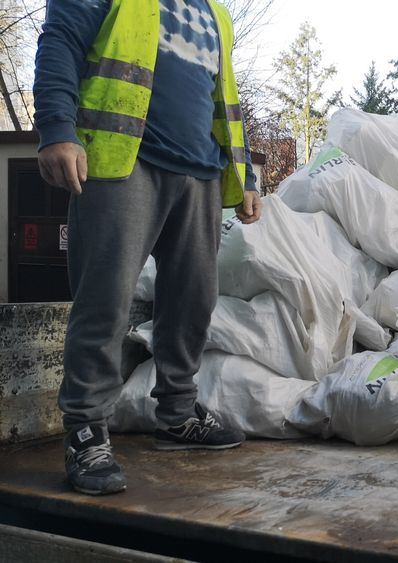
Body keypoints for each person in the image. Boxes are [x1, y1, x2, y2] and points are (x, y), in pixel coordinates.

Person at [33, 0, 263, 496]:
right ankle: (86, 428)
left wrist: (244, 175)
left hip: (200, 170)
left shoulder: (215, 12)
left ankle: (177, 415)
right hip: (123, 159)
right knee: (105, 300)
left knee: (193, 300)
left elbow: (227, 98)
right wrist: (56, 128)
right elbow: (60, 41)